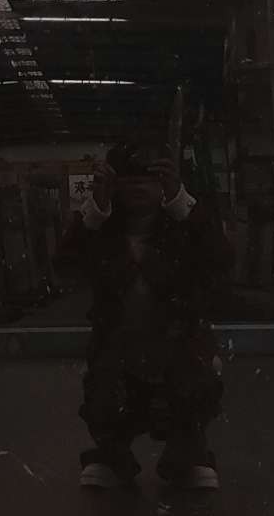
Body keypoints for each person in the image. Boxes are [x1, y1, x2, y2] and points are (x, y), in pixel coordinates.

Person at [56, 140, 231, 489]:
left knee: (193, 387)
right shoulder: (102, 228)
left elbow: (221, 259)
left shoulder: (184, 224)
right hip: (118, 350)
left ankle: (187, 455)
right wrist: (96, 206)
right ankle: (113, 453)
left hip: (178, 345)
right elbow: (64, 265)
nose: (138, 186)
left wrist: (180, 200)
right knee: (104, 391)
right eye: (128, 179)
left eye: (149, 178)